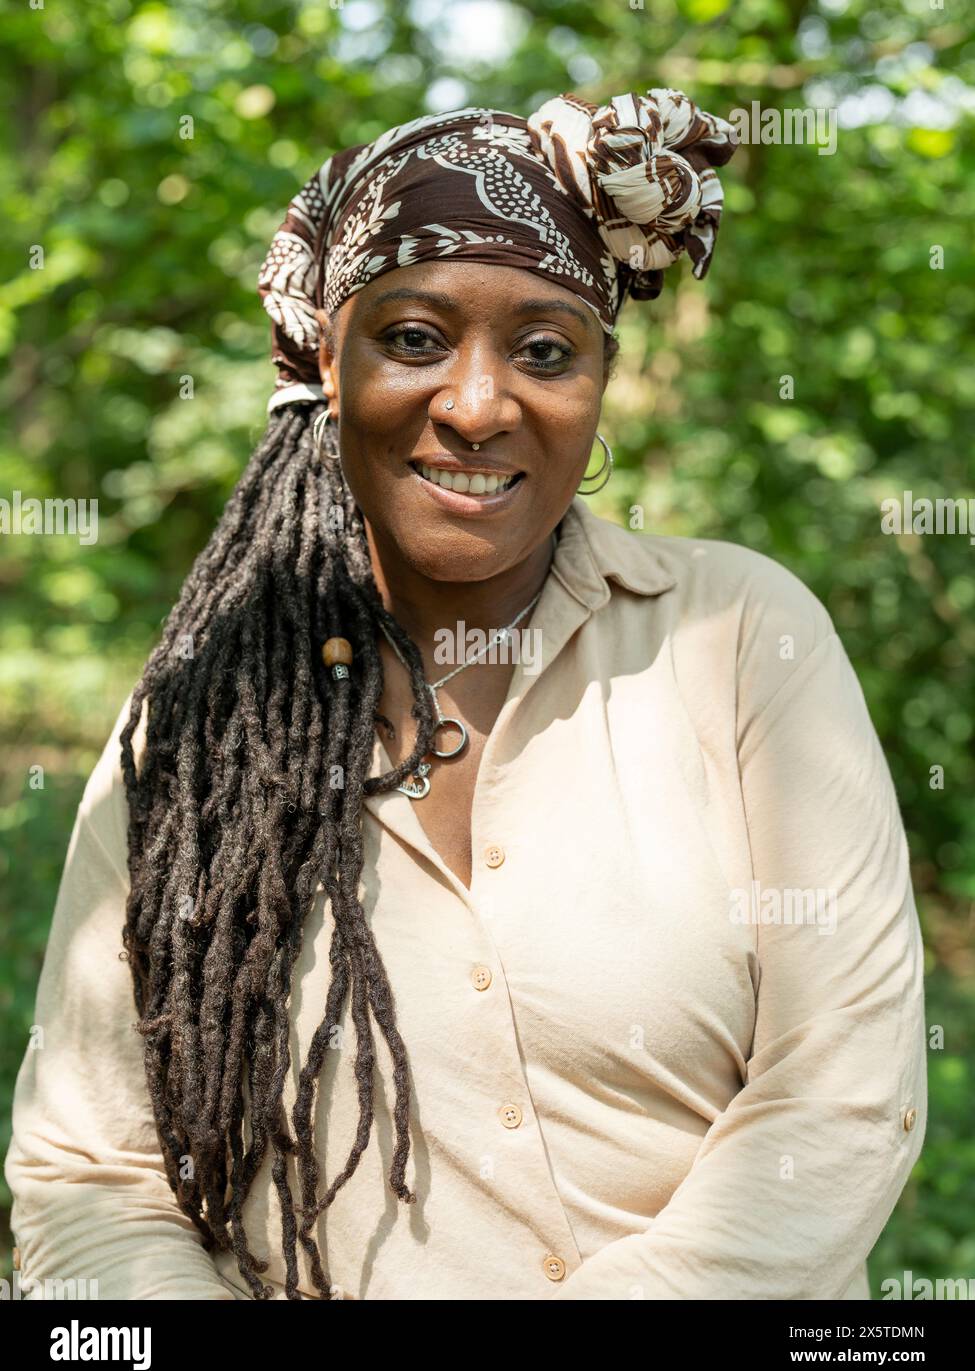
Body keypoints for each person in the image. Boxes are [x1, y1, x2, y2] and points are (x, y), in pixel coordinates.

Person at [6, 89, 926, 1301]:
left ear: (598, 381)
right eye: (416, 338)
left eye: (546, 349)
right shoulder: (196, 726)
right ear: (327, 363)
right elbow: (91, 1173)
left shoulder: (742, 637)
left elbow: (845, 1092)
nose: (480, 405)